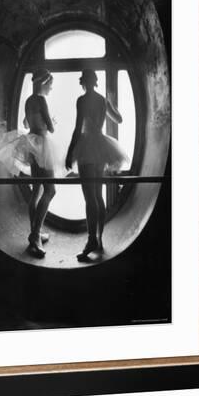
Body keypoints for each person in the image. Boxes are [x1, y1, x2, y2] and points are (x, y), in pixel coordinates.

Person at [65, 69, 129, 262]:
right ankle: (99, 239)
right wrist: (111, 103)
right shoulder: (102, 100)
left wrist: (70, 152)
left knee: (89, 198)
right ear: (96, 81)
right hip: (101, 146)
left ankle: (91, 240)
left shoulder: (82, 100)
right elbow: (119, 119)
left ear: (83, 82)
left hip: (86, 146)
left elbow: (78, 128)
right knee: (98, 196)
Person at [0, 68, 60, 258]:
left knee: (37, 190)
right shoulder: (41, 100)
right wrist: (52, 122)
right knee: (51, 191)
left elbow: (25, 124)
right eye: (50, 84)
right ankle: (35, 236)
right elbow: (51, 128)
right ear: (44, 83)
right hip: (41, 143)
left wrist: (37, 122)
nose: (51, 88)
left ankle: (36, 233)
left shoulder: (28, 100)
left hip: (31, 143)